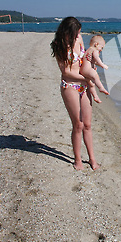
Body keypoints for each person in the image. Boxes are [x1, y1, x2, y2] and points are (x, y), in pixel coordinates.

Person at [51, 17, 100, 170]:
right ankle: (78, 159)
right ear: (67, 32)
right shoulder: (58, 45)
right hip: (70, 86)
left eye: (79, 33)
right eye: (76, 33)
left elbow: (85, 59)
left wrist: (91, 68)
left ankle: (92, 158)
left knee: (87, 124)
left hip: (84, 85)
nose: (78, 35)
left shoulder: (79, 39)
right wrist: (87, 77)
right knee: (77, 125)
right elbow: (66, 72)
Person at [80, 35, 109, 103]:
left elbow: (94, 61)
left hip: (83, 70)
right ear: (96, 44)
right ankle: (101, 87)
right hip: (87, 70)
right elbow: (97, 58)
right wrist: (102, 65)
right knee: (95, 75)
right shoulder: (94, 50)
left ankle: (95, 96)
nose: (101, 50)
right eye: (101, 48)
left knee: (91, 84)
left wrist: (99, 64)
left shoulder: (88, 50)